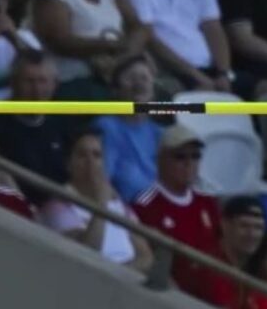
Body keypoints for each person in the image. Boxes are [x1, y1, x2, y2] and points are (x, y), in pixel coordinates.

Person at [40, 128, 153, 274]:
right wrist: (101, 202)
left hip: (123, 283)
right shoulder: (57, 207)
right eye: (82, 155)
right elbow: (86, 254)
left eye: (97, 155)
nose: (91, 162)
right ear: (69, 164)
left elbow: (146, 256)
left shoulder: (120, 206)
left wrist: (120, 275)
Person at [133, 124, 222, 299]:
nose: (189, 163)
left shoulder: (207, 202)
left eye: (195, 156)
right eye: (180, 157)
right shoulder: (145, 205)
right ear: (160, 160)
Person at [0, 51, 69, 202]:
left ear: (55, 84)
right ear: (13, 83)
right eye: (29, 81)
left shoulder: (61, 123)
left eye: (43, 81)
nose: (37, 90)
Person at [93, 55, 166, 203]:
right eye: (131, 78)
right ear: (116, 90)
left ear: (153, 90)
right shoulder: (107, 127)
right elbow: (101, 181)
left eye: (144, 78)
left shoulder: (160, 133)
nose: (139, 84)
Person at [199, 197, 267, 309]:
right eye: (244, 226)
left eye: (258, 227)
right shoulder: (207, 269)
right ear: (224, 225)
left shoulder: (260, 268)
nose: (252, 234)